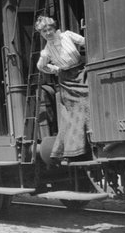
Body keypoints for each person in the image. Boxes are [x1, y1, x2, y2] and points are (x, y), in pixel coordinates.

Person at [35, 16, 90, 161]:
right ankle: (74, 151)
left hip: (80, 72)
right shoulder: (46, 51)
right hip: (66, 80)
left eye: (49, 29)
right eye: (44, 31)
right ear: (41, 34)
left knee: (89, 101)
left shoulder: (68, 35)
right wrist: (55, 69)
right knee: (75, 113)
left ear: (54, 28)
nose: (48, 33)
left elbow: (86, 42)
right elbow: (40, 66)